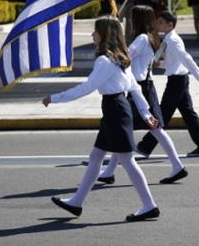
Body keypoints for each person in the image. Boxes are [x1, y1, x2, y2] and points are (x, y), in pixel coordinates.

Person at [43, 16, 161, 222]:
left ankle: (149, 205)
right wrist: (145, 113)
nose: (92, 35)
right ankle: (76, 202)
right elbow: (134, 88)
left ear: (104, 34)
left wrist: (54, 98)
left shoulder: (105, 60)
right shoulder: (121, 58)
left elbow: (87, 87)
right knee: (96, 156)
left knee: (126, 160)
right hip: (115, 109)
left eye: (95, 31)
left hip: (115, 110)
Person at [98, 6, 188, 185]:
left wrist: (112, 39)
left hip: (139, 88)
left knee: (141, 129)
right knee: (130, 129)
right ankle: (109, 171)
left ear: (137, 19)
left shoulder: (141, 38)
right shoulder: (149, 37)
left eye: (132, 17)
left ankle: (177, 166)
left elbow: (125, 57)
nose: (130, 20)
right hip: (143, 86)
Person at [137, 11, 199, 158]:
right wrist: (158, 65)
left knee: (163, 113)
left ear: (169, 24)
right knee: (188, 114)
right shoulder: (169, 39)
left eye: (160, 22)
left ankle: (145, 146)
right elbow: (173, 63)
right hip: (179, 79)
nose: (157, 24)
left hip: (177, 81)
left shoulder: (173, 40)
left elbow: (186, 59)